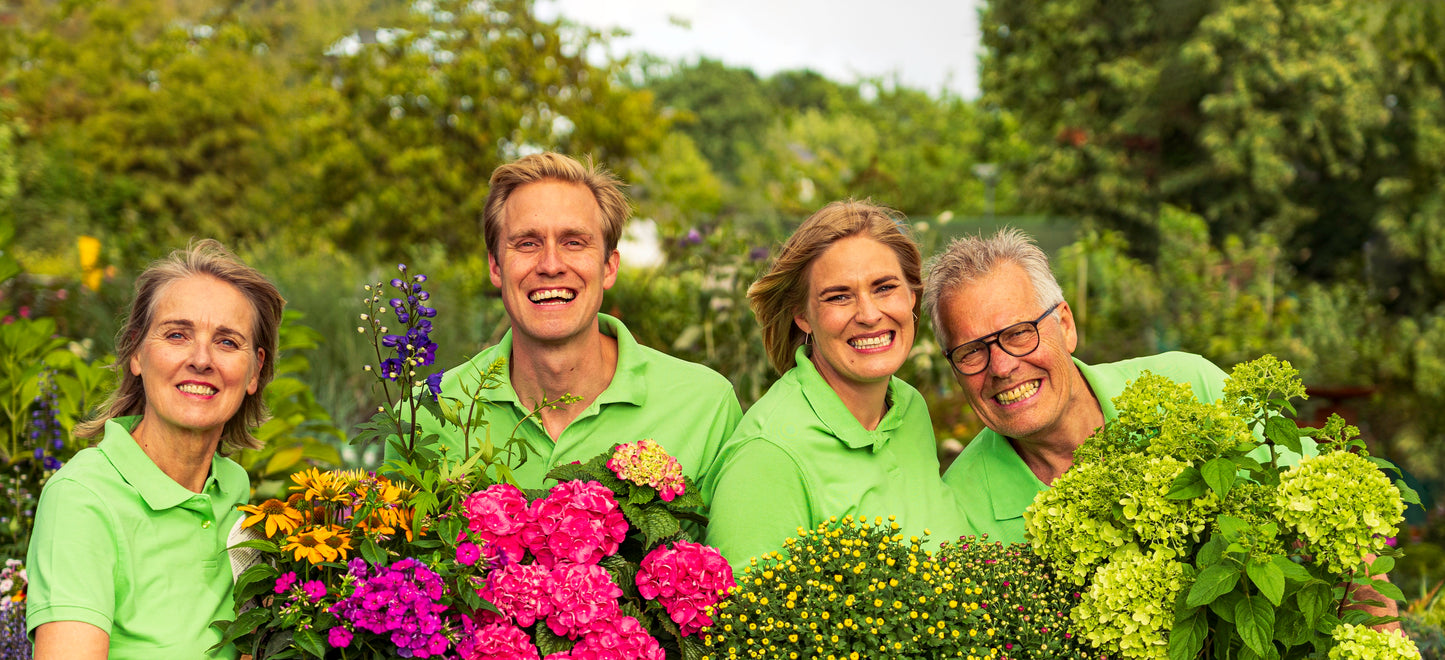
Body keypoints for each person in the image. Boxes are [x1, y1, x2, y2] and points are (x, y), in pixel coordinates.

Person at [394, 152, 741, 488]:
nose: (551, 264)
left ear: (609, 267)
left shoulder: (705, 406)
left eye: (574, 242)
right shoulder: (422, 418)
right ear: (496, 266)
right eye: (527, 243)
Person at [26, 240, 286, 659]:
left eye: (226, 342)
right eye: (177, 334)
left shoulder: (233, 490)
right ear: (136, 353)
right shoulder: (82, 499)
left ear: (255, 370)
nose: (202, 360)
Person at [703, 200, 971, 573]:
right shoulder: (770, 455)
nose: (869, 314)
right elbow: (742, 626)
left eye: (884, 287)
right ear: (804, 316)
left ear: (912, 295)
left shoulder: (908, 406)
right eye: (839, 296)